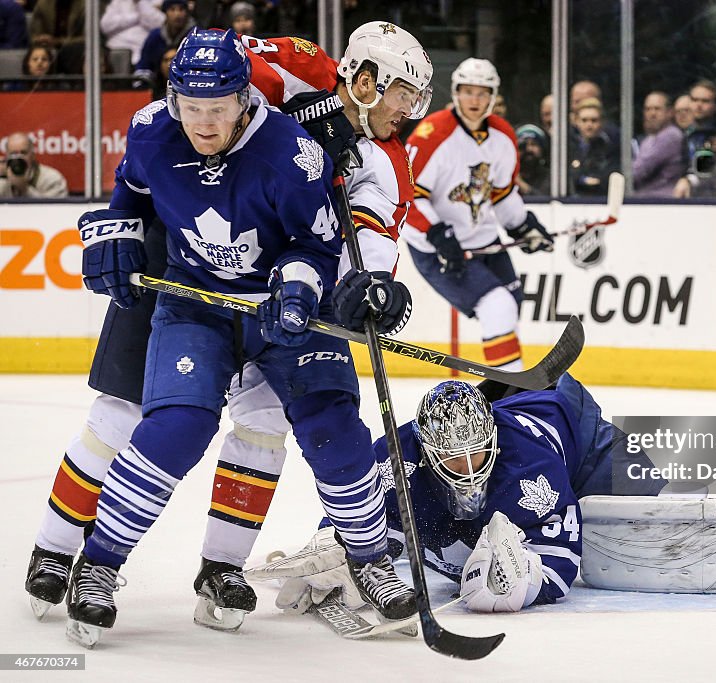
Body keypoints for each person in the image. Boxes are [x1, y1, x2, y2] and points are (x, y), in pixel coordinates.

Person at [26, 22, 434, 639]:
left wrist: (361, 289)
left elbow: (361, 242)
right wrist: (119, 230)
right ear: (367, 79)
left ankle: (225, 567)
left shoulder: (379, 160)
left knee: (271, 425)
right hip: (177, 252)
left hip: (280, 277)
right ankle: (60, 549)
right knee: (128, 415)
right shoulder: (295, 68)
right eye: (404, 93)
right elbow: (198, 94)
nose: (410, 111)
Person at [254, 375, 665, 615]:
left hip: (582, 441)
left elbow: (562, 563)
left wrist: (526, 582)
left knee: (646, 498)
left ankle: (525, 387)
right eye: (454, 459)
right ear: (428, 451)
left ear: (493, 439)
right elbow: (360, 514)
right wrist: (341, 548)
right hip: (514, 440)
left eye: (478, 454)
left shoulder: (531, 467)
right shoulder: (397, 458)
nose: (470, 471)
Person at [404, 58, 554, 372]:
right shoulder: (431, 135)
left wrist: (522, 225)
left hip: (484, 239)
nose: (475, 100)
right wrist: (436, 233)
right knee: (496, 305)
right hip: (437, 248)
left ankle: (506, 382)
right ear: (456, 93)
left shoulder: (503, 136)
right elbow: (407, 194)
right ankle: (510, 392)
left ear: (493, 96)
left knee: (510, 306)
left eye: (482, 93)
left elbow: (501, 193)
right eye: (468, 91)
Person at [569, 97, 618, 196]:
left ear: (602, 122)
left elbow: (607, 179)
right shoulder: (569, 147)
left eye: (594, 120)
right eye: (584, 120)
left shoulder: (611, 147)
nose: (589, 125)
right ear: (576, 122)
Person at [0, 131, 68, 197]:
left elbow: (53, 207)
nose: (19, 158)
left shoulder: (52, 179)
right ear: (6, 157)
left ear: (32, 155)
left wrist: (24, 188)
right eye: (14, 154)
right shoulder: (2, 180)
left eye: (23, 153)